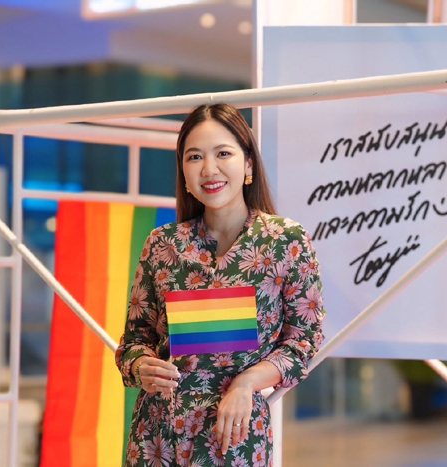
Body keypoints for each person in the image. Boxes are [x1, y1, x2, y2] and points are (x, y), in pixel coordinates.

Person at [116, 103, 324, 467]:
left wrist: (247, 383)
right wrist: (142, 366)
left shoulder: (285, 241)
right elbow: (133, 343)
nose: (209, 169)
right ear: (183, 172)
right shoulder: (162, 244)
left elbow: (304, 342)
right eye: (195, 157)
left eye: (223, 154)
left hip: (234, 440)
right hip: (157, 437)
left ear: (248, 164)